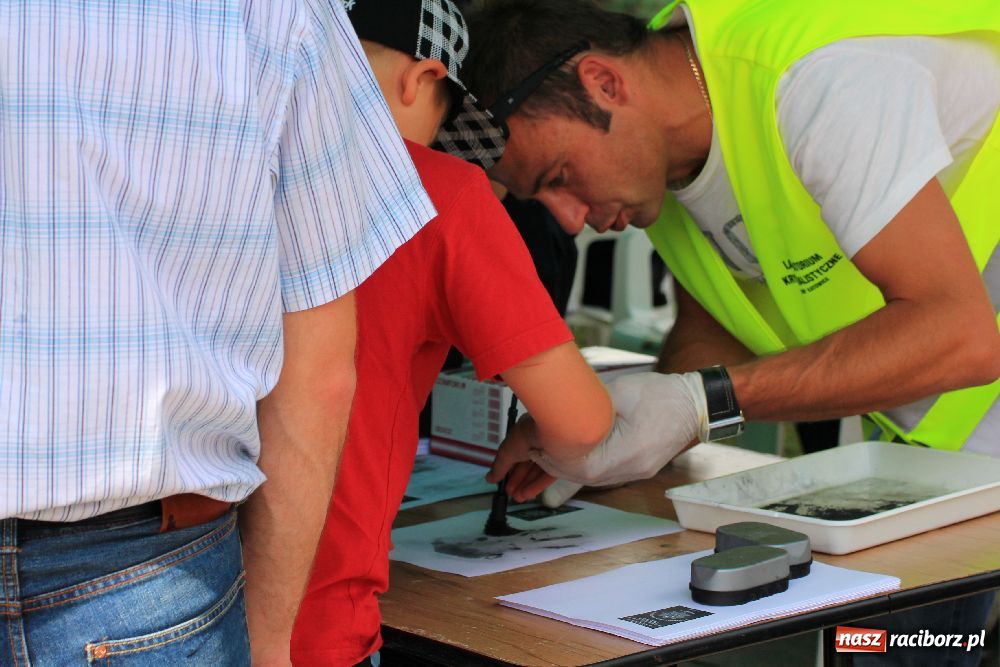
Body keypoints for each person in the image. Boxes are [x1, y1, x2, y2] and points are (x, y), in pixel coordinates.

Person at [439, 0, 1000, 664]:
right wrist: (615, 431)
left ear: (603, 82)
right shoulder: (666, 164)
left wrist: (698, 402)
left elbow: (960, 335)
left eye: (559, 177)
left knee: (894, 649)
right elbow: (721, 322)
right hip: (933, 436)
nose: (566, 218)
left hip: (968, 403)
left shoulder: (817, 85)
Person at [0, 1, 434, 664]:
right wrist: (270, 643)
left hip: (155, 569)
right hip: (153, 574)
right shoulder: (277, 11)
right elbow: (317, 372)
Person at [288, 2, 614, 665]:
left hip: (176, 582)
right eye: (441, 121)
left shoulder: (221, 169)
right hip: (318, 612)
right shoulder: (441, 192)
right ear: (422, 79)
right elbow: (581, 422)